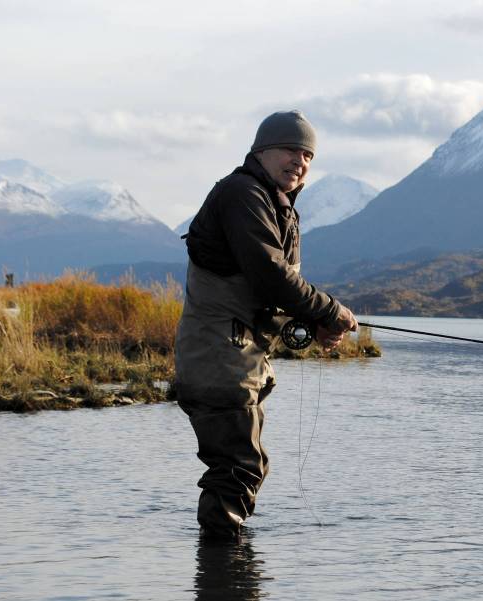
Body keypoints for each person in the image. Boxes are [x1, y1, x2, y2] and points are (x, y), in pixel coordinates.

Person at [174, 110, 358, 540]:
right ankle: (225, 574)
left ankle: (224, 566)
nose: (301, 161)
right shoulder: (242, 193)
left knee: (240, 467)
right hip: (218, 357)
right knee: (239, 468)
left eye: (308, 154)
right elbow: (270, 275)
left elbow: (267, 295)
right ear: (262, 151)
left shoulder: (276, 206)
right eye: (291, 149)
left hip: (237, 359)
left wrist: (315, 324)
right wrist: (331, 311)